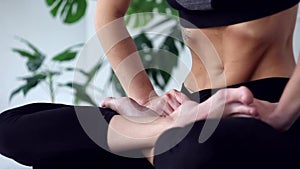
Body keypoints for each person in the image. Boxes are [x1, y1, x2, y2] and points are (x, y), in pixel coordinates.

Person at [0, 0, 299, 169]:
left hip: (262, 101)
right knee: (12, 128)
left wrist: (282, 113)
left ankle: (163, 135)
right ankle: (162, 131)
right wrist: (147, 100)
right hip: (187, 107)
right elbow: (109, 12)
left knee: (200, 151)